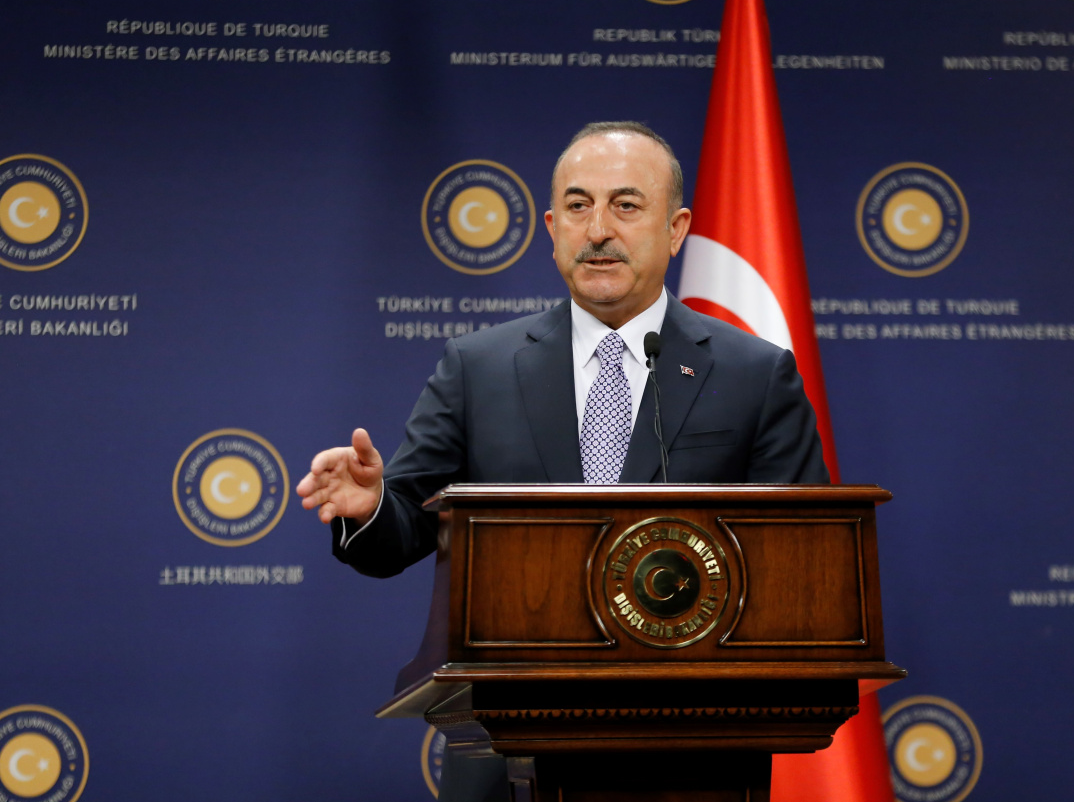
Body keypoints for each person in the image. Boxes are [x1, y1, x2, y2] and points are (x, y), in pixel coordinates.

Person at [297, 121, 828, 579]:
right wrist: (369, 507)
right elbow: (401, 531)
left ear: (675, 229)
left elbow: (805, 554)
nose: (598, 230)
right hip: (521, 663)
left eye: (625, 206)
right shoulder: (477, 370)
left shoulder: (755, 376)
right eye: (578, 206)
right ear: (553, 231)